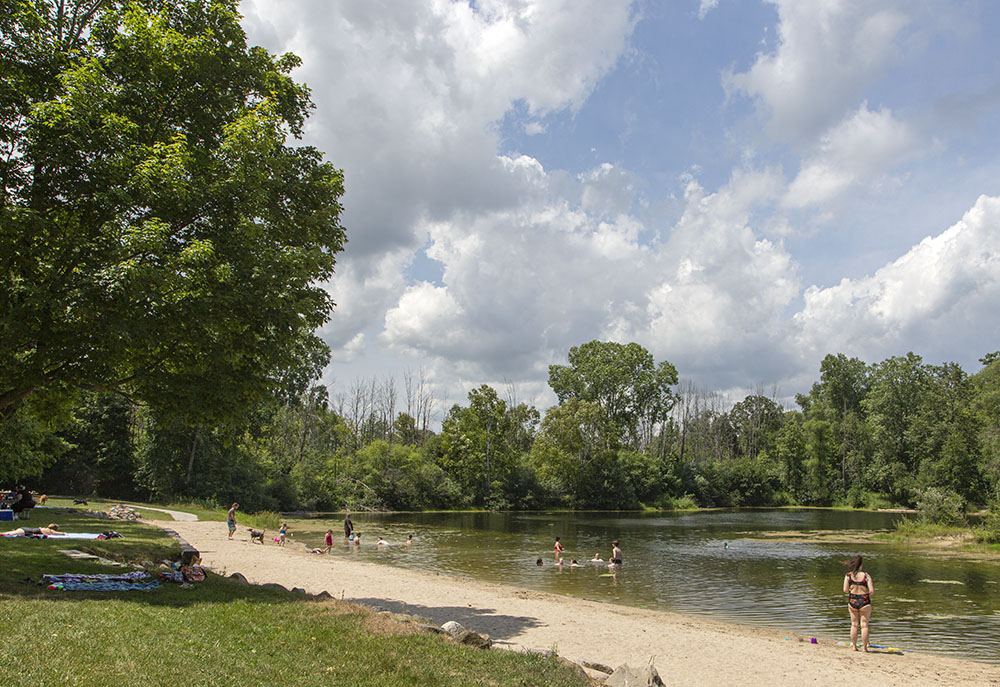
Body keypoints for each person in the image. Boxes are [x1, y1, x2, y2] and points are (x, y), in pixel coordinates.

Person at [843, 555, 874, 652]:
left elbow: (845, 590)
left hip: (852, 600)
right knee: (864, 625)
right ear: (861, 565)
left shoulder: (848, 576)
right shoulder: (866, 576)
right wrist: (866, 593)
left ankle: (854, 646)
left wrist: (852, 591)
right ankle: (864, 648)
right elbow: (872, 590)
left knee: (854, 625)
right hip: (864, 601)